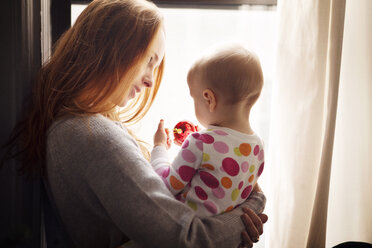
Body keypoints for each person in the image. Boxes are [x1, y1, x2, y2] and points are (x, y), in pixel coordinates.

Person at [2, 0, 267, 247]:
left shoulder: (80, 129)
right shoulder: (91, 137)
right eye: (149, 61)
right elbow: (185, 239)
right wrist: (251, 205)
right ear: (113, 49)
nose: (151, 80)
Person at [152, 44, 265, 216]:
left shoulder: (200, 143)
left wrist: (159, 147)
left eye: (193, 98)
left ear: (209, 99)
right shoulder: (258, 147)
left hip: (182, 230)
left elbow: (165, 186)